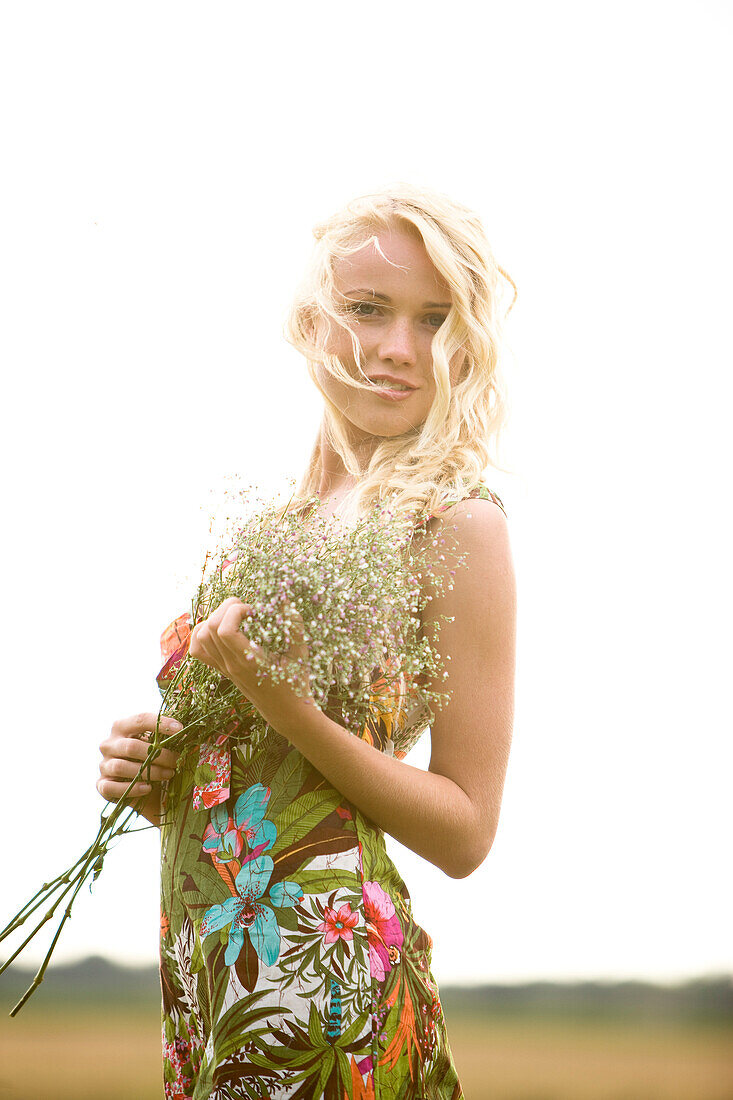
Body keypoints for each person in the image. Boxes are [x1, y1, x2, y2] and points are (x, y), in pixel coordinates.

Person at [97, 182, 517, 1100]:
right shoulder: (263, 531)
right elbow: (266, 797)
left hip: (321, 987)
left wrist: (279, 705)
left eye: (435, 321)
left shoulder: (454, 526)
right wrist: (155, 778)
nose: (400, 349)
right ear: (305, 321)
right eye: (368, 309)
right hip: (212, 968)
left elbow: (465, 831)